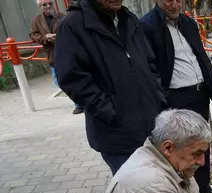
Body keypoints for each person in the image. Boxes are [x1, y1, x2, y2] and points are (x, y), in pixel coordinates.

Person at [54, 0, 166, 175]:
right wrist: (108, 110)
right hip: (116, 132)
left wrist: (157, 96)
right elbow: (72, 78)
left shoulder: (128, 18)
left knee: (156, 186)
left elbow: (150, 63)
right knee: (133, 191)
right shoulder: (73, 25)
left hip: (151, 126)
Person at [140, 0, 212, 193]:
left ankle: (204, 188)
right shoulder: (147, 26)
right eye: (168, 0)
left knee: (202, 142)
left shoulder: (188, 23)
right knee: (180, 147)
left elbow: (198, 55)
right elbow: (150, 66)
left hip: (199, 93)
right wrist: (161, 96)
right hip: (175, 96)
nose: (174, 4)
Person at [30, 0, 83, 115]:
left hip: (66, 52)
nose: (48, 6)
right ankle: (79, 100)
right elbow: (33, 35)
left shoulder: (62, 16)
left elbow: (72, 31)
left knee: (70, 77)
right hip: (52, 54)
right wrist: (45, 38)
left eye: (50, 3)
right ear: (40, 7)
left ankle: (79, 104)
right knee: (58, 80)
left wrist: (59, 36)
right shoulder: (37, 20)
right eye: (44, 4)